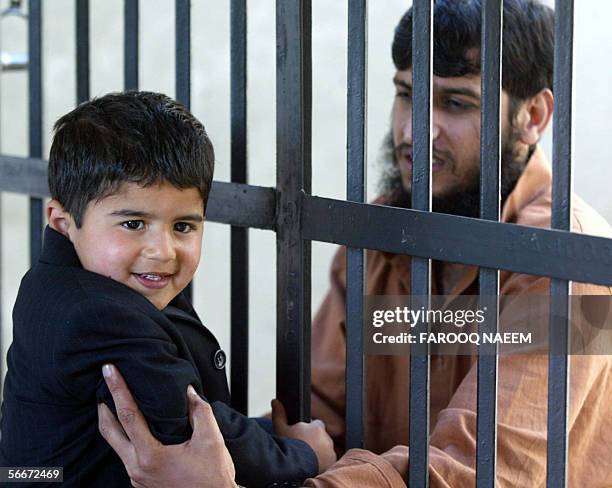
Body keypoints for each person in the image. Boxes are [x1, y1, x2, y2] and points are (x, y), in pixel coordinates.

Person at [310, 0, 612, 485]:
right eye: (407, 94)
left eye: (454, 103)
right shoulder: (375, 239)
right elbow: (315, 421)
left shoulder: (569, 262)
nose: (413, 131)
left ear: (532, 115)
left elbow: (480, 472)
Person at [0, 91, 335, 487]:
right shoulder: (100, 315)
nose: (163, 252)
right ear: (61, 222)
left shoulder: (58, 282)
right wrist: (304, 454)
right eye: (133, 224)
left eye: (183, 227)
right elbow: (192, 424)